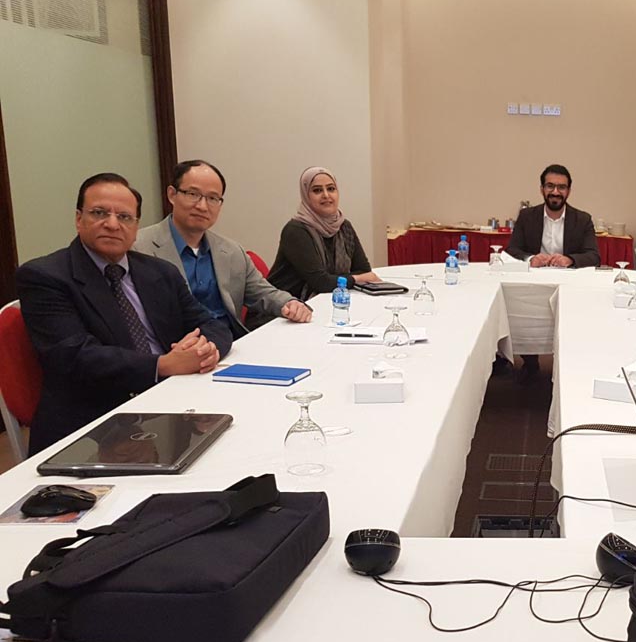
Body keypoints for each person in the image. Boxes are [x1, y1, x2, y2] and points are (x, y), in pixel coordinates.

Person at [15, 172, 233, 454]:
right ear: (79, 219)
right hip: (96, 423)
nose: (112, 224)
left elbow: (209, 323)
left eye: (125, 217)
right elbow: (74, 356)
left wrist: (205, 350)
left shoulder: (160, 272)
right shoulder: (44, 276)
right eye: (99, 213)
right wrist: (162, 365)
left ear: (136, 225)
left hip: (176, 400)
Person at [134, 160, 312, 338]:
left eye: (212, 198)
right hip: (178, 347)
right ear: (172, 194)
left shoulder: (232, 251)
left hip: (231, 343)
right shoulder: (138, 248)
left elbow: (263, 293)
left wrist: (290, 303)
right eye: (193, 194)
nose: (202, 206)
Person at [267, 166, 381, 300]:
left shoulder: (344, 226)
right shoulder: (296, 230)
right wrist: (355, 279)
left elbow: (363, 270)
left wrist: (336, 280)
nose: (326, 195)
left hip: (327, 301)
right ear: (306, 196)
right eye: (317, 190)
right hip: (285, 306)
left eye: (331, 189)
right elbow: (321, 282)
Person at [504, 164, 600, 268]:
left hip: (568, 275)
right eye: (550, 186)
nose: (555, 192)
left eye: (561, 187)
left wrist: (570, 260)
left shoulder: (583, 220)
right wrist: (531, 259)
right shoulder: (526, 216)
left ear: (568, 191)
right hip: (535, 274)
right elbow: (512, 250)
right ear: (542, 189)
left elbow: (593, 257)